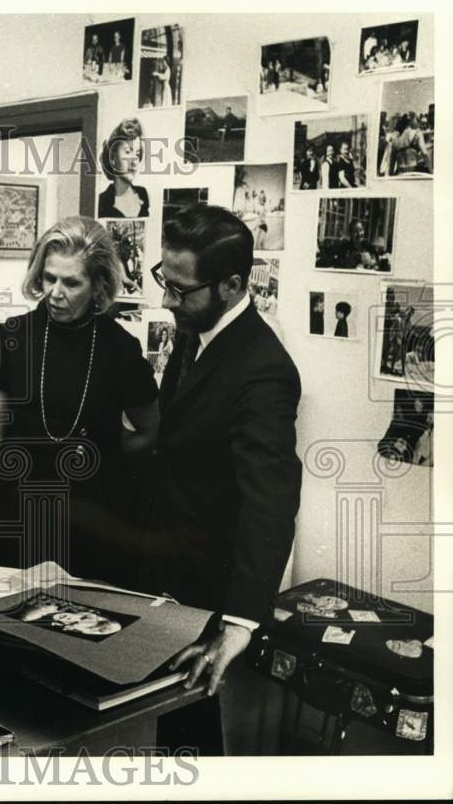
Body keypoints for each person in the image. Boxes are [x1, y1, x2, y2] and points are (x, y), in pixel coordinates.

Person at [142, 204, 302, 755]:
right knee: (146, 727)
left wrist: (237, 624)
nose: (167, 300)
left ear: (232, 286)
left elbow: (271, 502)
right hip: (161, 563)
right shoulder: (196, 329)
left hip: (204, 588)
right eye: (164, 280)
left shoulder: (264, 369)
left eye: (181, 290)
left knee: (185, 733)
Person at [0, 216, 159, 584]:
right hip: (18, 506)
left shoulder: (120, 348)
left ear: (98, 285)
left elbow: (151, 430)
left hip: (93, 514)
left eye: (72, 282)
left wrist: (108, 451)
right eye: (49, 278)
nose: (56, 292)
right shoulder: (12, 336)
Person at [97, 118, 150, 218]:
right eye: (128, 152)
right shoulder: (102, 201)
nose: (134, 161)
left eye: (137, 154)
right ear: (113, 158)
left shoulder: (142, 194)